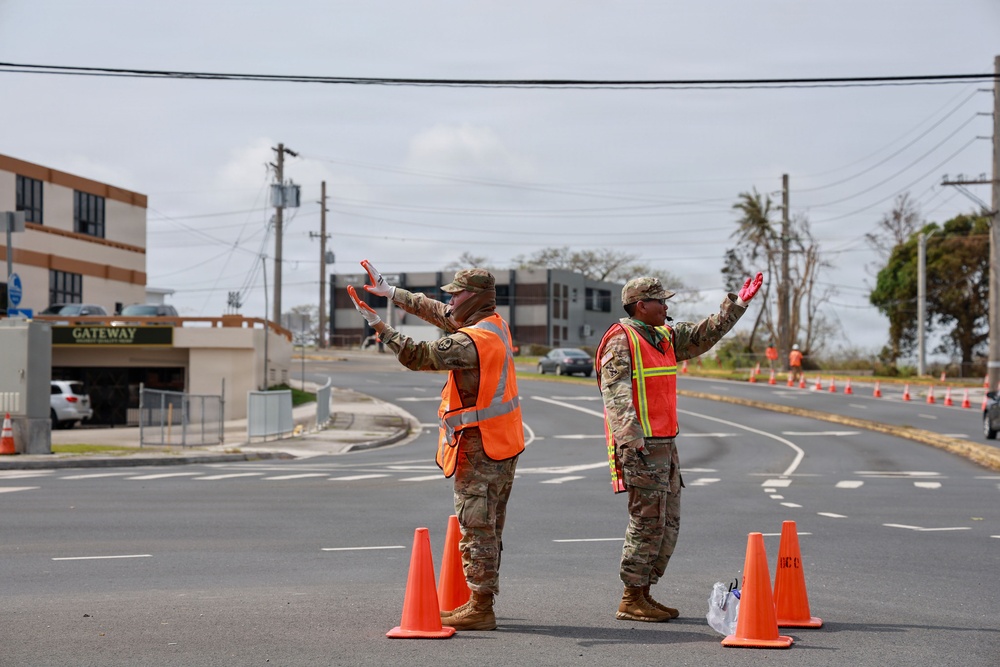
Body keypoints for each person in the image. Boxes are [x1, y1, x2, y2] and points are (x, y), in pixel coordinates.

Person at [346, 260, 524, 632]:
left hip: (480, 447)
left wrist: (381, 327)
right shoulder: (493, 326)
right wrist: (391, 292)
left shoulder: (471, 340)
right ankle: (481, 599)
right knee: (489, 527)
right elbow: (439, 311)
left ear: (475, 298)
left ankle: (480, 607)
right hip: (502, 444)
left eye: (457, 294)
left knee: (476, 529)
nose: (452, 300)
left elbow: (418, 355)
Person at [596, 272, 763, 623]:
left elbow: (705, 334)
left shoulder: (664, 336)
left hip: (665, 445)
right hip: (642, 446)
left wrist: (738, 305)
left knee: (667, 523)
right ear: (641, 306)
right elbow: (615, 393)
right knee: (646, 523)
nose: (667, 306)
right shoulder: (621, 340)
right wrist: (631, 438)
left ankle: (644, 592)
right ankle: (631, 597)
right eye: (661, 301)